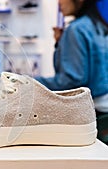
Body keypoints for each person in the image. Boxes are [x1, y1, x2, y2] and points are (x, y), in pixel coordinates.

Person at [35, 0, 108, 143]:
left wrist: (30, 81)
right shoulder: (99, 26)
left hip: (95, 115)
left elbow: (72, 80)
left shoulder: (76, 29)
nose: (59, 2)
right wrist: (61, 44)